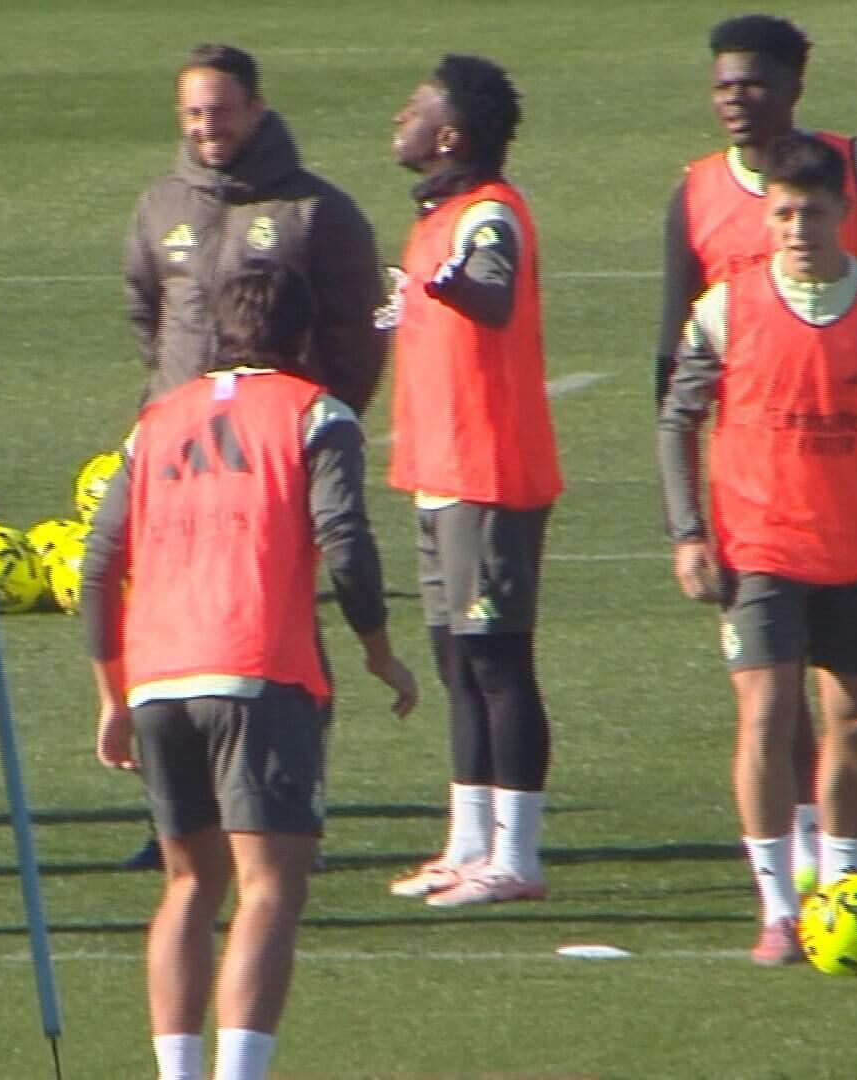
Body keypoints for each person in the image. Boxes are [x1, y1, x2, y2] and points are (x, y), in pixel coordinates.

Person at [654, 14, 857, 925]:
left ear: (795, 88)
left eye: (753, 82)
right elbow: (674, 368)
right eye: (723, 81)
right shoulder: (697, 199)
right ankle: (794, 891)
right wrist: (687, 521)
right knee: (771, 703)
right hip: (761, 505)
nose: (734, 96)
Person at [82, 265, 416, 1080]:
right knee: (269, 888)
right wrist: (378, 650)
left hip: (159, 676)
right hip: (260, 669)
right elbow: (345, 542)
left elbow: (98, 564)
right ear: (302, 338)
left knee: (189, 883)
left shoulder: (155, 421)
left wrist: (111, 695)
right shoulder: (315, 414)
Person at [120, 41, 388, 870]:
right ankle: (180, 824)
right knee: (175, 634)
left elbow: (360, 327)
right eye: (194, 114)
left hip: (275, 461)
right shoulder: (161, 203)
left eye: (223, 112)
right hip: (182, 460)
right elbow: (142, 312)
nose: (208, 128)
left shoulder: (318, 210)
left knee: (280, 639)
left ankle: (283, 809)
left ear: (258, 111)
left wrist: (317, 417)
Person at [383, 56, 563, 908]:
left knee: (496, 661)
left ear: (448, 135)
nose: (400, 118)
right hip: (438, 471)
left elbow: (491, 292)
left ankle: (517, 857)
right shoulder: (437, 218)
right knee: (458, 661)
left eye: (415, 109)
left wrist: (456, 287)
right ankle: (467, 844)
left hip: (489, 472)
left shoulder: (486, 217)